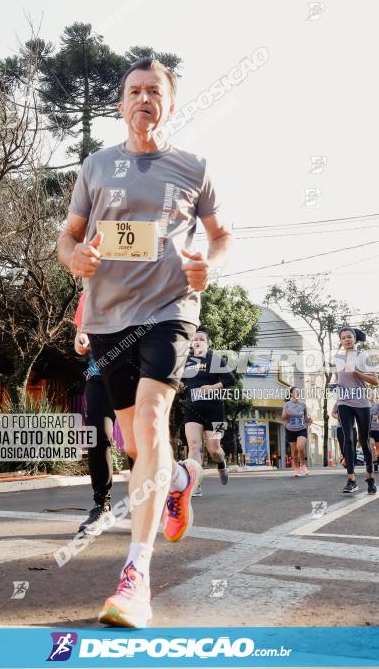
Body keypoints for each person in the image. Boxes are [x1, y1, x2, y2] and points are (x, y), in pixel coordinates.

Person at [57, 56, 232, 628]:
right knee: (134, 442)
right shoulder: (97, 166)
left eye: (154, 91)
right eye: (133, 91)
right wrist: (73, 257)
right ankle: (181, 478)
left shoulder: (193, 167)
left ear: (170, 103)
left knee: (153, 422)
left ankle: (136, 576)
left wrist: (208, 261)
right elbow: (69, 237)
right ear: (120, 103)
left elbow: (220, 234)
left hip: (170, 311)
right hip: (110, 319)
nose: (143, 100)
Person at [73, 292, 116, 535]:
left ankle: (146, 506)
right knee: (99, 436)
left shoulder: (139, 281)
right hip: (99, 376)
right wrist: (81, 340)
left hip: (135, 376)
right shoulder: (88, 293)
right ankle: (101, 506)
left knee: (137, 444)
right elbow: (79, 343)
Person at [180, 330, 235, 496]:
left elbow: (230, 380)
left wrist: (211, 388)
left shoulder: (215, 359)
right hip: (193, 409)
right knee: (194, 446)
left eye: (201, 339)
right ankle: (195, 484)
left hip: (215, 410)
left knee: (214, 450)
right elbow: (180, 384)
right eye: (194, 339)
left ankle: (222, 463)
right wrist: (179, 388)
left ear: (208, 343)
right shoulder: (185, 362)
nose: (197, 341)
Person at [331, 326, 379, 495]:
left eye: (349, 337)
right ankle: (351, 480)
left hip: (362, 403)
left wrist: (357, 372)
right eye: (343, 337)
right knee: (348, 440)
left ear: (355, 339)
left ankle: (370, 478)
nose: (346, 340)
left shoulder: (363, 356)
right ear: (341, 340)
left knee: (364, 441)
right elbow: (337, 378)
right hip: (344, 402)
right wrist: (334, 385)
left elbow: (375, 381)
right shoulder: (337, 358)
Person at [282, 386, 312, 476]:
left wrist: (309, 420)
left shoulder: (302, 404)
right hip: (290, 430)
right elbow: (282, 417)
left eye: (298, 392)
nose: (297, 393)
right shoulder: (287, 405)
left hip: (301, 429)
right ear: (291, 394)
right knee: (294, 451)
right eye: (295, 392)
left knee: (300, 447)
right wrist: (286, 414)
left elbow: (305, 417)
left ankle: (303, 465)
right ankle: (296, 468)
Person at [332, 400, 358, 468]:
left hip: (352, 428)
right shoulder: (338, 402)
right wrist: (341, 417)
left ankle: (351, 465)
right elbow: (333, 413)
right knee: (343, 446)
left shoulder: (355, 402)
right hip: (341, 428)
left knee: (352, 446)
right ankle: (346, 459)